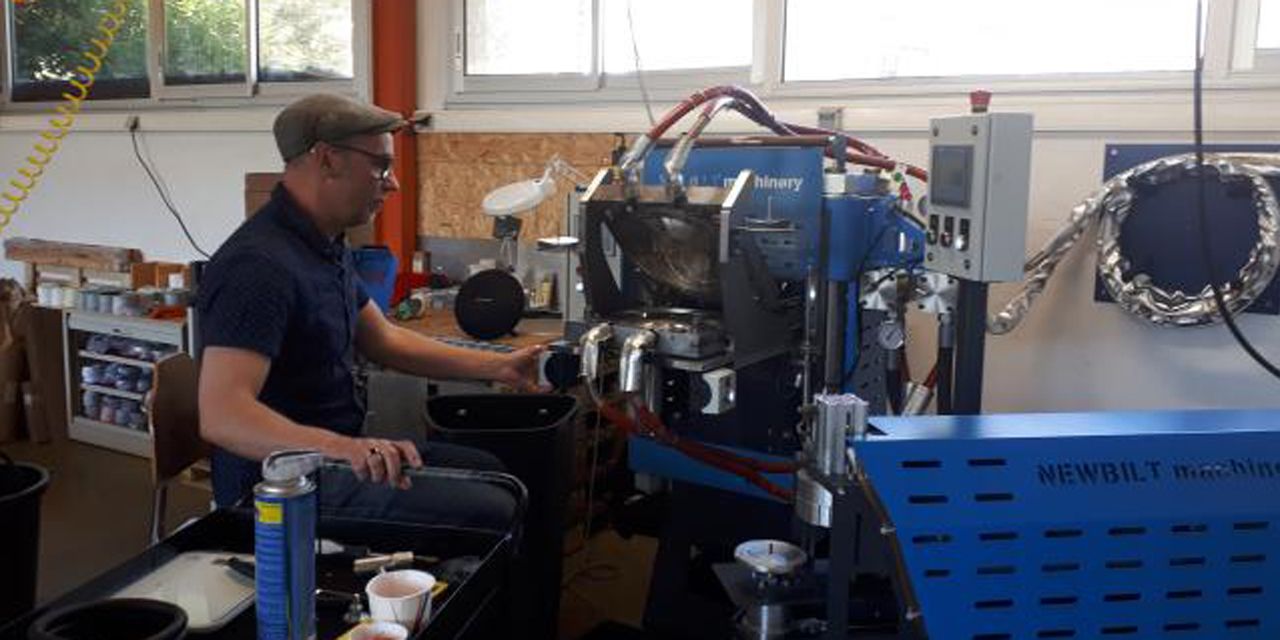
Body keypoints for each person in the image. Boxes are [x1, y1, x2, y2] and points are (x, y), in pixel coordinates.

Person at [197, 93, 541, 530]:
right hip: (278, 484)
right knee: (491, 510)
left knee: (495, 472)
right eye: (381, 166)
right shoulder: (258, 266)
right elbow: (223, 415)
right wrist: (341, 448)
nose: (392, 184)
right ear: (327, 160)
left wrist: (499, 366)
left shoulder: (324, 244)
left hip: (336, 459)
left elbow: (383, 339)